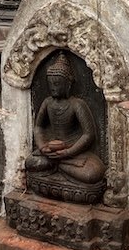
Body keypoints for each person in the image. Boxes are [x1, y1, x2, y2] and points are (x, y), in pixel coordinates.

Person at [25, 51, 105, 189]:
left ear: (68, 84)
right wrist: (42, 146)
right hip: (51, 152)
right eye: (50, 84)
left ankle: (58, 167)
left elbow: (88, 134)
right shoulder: (47, 102)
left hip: (74, 152)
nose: (53, 88)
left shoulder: (77, 104)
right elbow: (39, 127)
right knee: (30, 163)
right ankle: (59, 167)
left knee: (93, 173)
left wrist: (69, 152)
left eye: (57, 83)